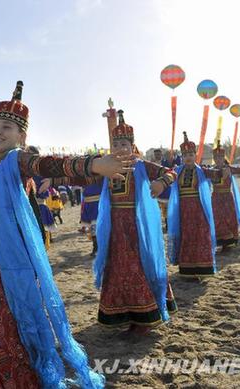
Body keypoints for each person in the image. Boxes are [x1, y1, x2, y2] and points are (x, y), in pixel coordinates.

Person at [0, 81, 130, 388]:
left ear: (21, 136)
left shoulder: (17, 160)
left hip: (12, 259)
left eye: (7, 127)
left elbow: (49, 164)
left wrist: (94, 164)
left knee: (13, 315)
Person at [91, 111, 177, 335]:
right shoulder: (108, 166)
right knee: (116, 269)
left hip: (137, 229)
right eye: (116, 144)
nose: (120, 148)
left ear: (133, 145)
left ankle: (145, 317)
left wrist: (160, 182)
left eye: (124, 144)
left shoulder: (141, 165)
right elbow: (86, 176)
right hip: (114, 229)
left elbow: (170, 172)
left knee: (138, 266)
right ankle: (125, 314)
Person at [167, 132, 226, 277]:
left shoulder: (202, 171)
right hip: (183, 211)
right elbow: (166, 178)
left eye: (190, 154)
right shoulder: (177, 172)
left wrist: (224, 171)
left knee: (201, 235)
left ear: (195, 156)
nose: (188, 157)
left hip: (199, 210)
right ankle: (187, 268)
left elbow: (216, 173)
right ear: (182, 157)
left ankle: (203, 267)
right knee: (186, 236)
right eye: (185, 155)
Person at [210, 141, 240, 252]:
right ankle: (221, 241)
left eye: (220, 157)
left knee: (228, 218)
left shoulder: (229, 168)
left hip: (227, 197)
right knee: (217, 219)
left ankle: (228, 242)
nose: (218, 159)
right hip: (215, 198)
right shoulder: (210, 170)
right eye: (216, 157)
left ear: (223, 157)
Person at [80, 182, 101, 256]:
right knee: (93, 227)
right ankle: (95, 247)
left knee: (97, 226)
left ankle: (98, 248)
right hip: (89, 205)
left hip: (99, 204)